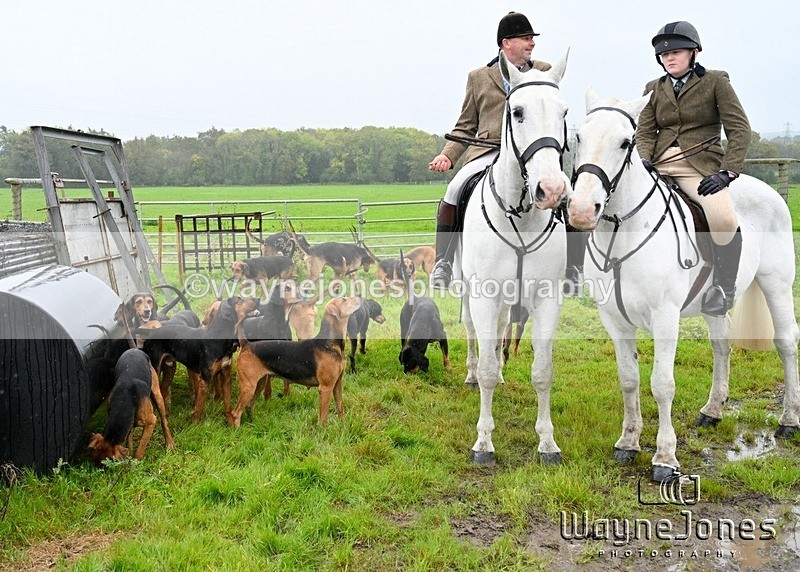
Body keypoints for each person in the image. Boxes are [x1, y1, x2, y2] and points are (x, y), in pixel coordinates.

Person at [427, 11, 551, 289]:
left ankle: (572, 263)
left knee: (560, 190)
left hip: (530, 154)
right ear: (507, 42)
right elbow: (465, 125)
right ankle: (443, 262)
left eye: (532, 39)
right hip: (488, 153)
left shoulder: (543, 71)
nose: (532, 44)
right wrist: (447, 155)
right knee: (454, 190)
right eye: (526, 38)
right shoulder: (479, 77)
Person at [636, 21, 751, 316]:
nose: (669, 58)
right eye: (664, 55)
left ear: (694, 52)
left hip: (699, 167)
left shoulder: (716, 82)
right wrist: (644, 159)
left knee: (723, 218)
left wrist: (727, 172)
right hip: (659, 165)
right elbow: (646, 132)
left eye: (675, 52)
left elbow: (739, 129)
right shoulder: (653, 88)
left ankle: (724, 288)